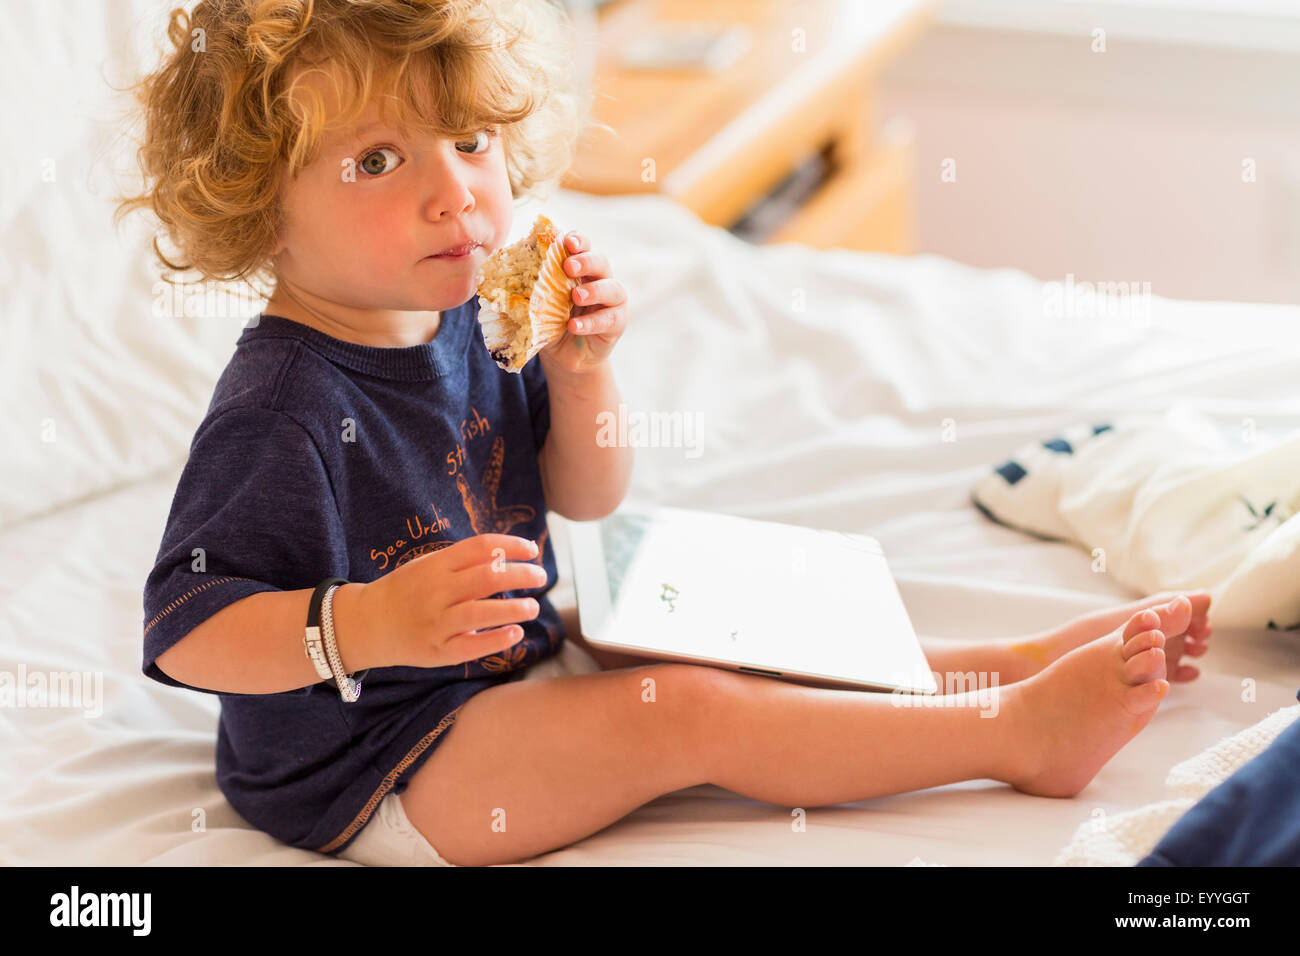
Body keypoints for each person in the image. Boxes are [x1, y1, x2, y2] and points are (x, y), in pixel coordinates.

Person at [123, 0, 1213, 867]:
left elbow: (586, 495)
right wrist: (363, 623)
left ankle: (992, 668)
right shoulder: (280, 407)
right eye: (377, 160)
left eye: (469, 140)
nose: (455, 194)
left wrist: (582, 371)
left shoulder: (468, 318)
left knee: (691, 609)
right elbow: (187, 626)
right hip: (376, 769)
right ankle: (1012, 736)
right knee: (677, 711)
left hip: (506, 668)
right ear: (259, 203)